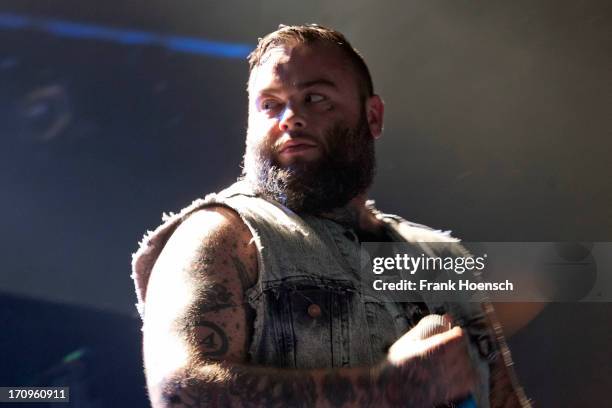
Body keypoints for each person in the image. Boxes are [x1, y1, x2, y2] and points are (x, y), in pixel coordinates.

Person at [132, 24, 531, 407]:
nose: (289, 117)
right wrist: (384, 390)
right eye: (270, 104)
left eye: (316, 98)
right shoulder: (219, 234)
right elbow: (179, 394)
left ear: (372, 117)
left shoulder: (444, 258)